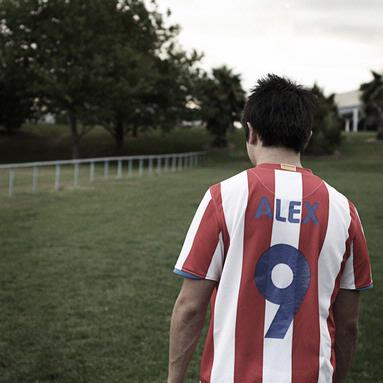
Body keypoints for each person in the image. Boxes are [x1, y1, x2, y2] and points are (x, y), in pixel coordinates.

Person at [167, 74, 373, 383]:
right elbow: (347, 325)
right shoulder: (344, 210)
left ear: (250, 132)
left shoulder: (222, 198)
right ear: (307, 136)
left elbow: (190, 308)